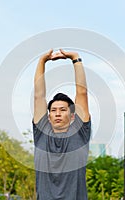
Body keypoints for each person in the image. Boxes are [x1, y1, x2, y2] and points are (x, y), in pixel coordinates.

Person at [33, 49, 91, 199]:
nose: (57, 113)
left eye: (63, 110)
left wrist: (75, 59)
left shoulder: (80, 133)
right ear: (49, 115)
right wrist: (42, 60)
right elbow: (39, 96)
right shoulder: (41, 132)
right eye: (53, 110)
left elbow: (81, 93)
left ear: (72, 115)